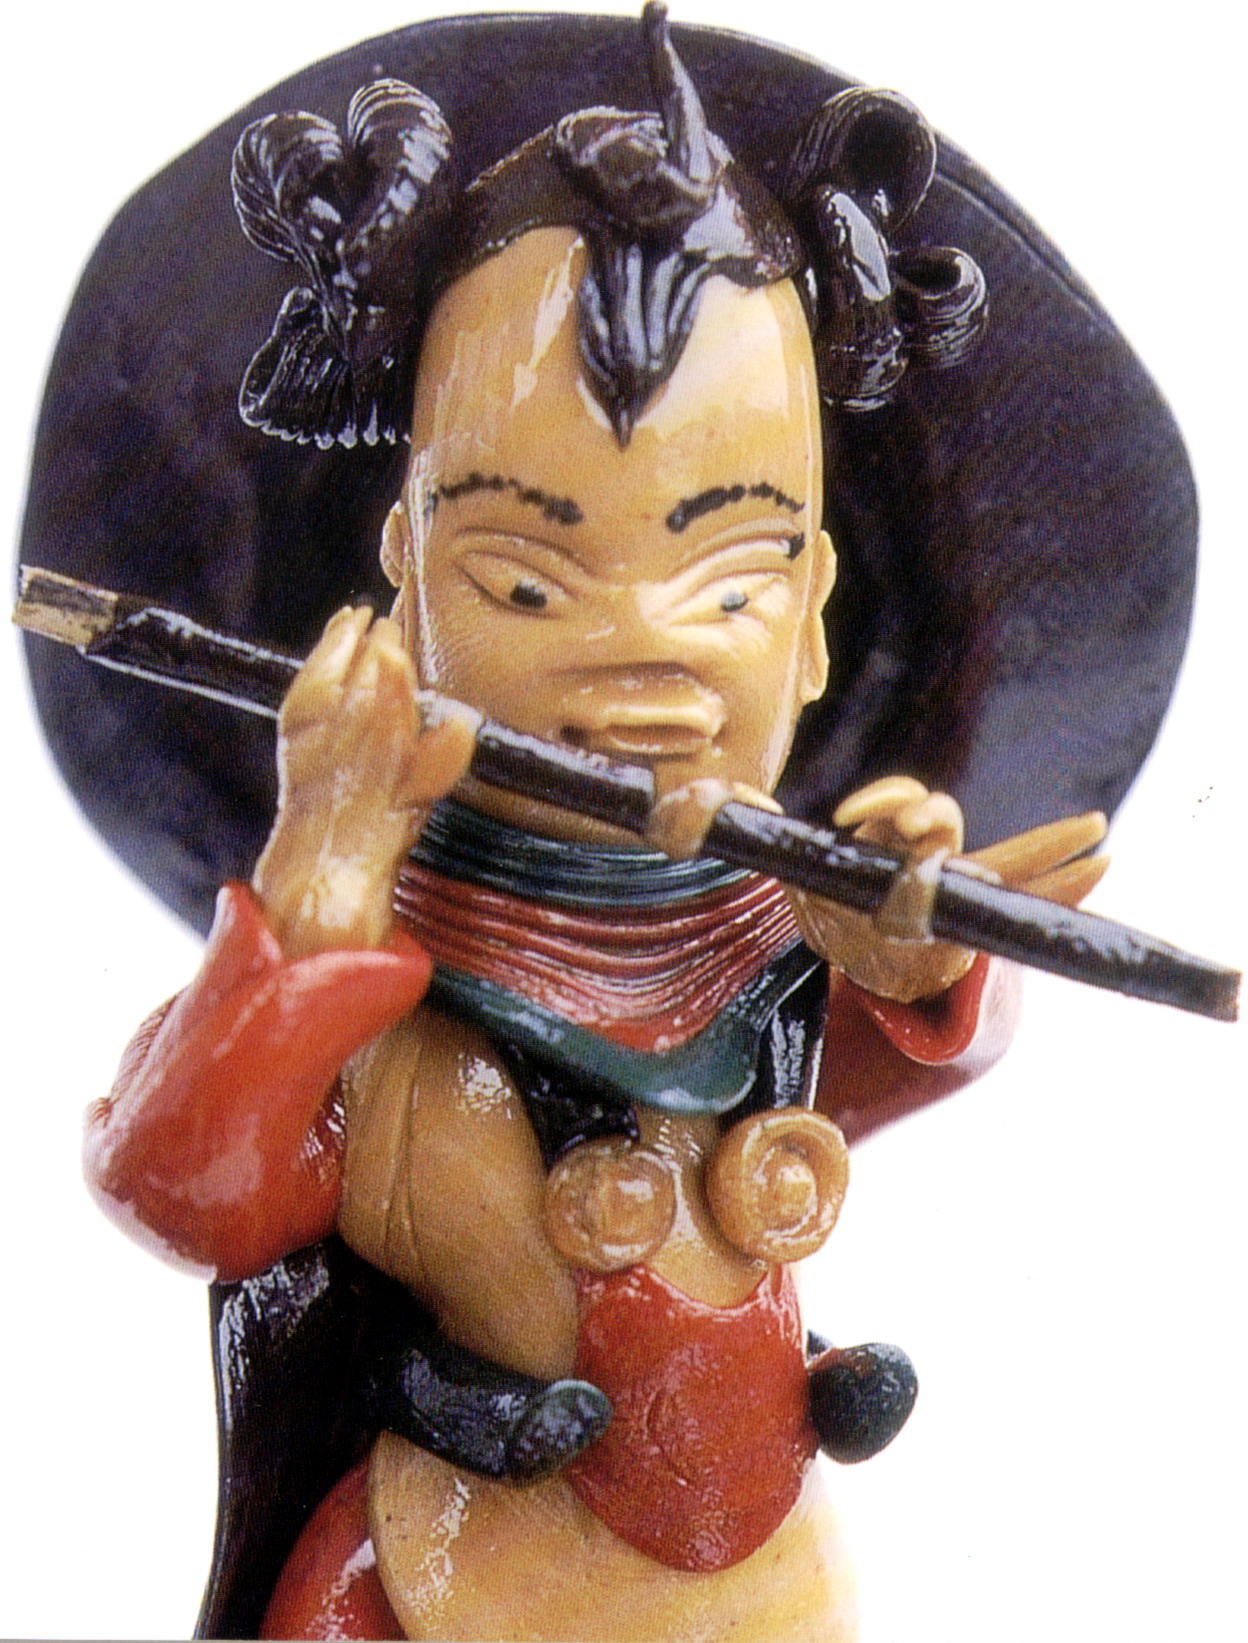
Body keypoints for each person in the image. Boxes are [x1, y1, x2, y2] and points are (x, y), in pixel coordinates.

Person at [79, 12, 1115, 1638]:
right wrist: (326, 875)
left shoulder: (767, 939)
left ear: (817, 612)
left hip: (757, 1575)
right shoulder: (386, 972)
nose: (643, 658)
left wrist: (914, 964)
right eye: (524, 581)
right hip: (431, 1577)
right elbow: (183, 1185)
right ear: (404, 578)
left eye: (732, 580)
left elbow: (917, 1058)